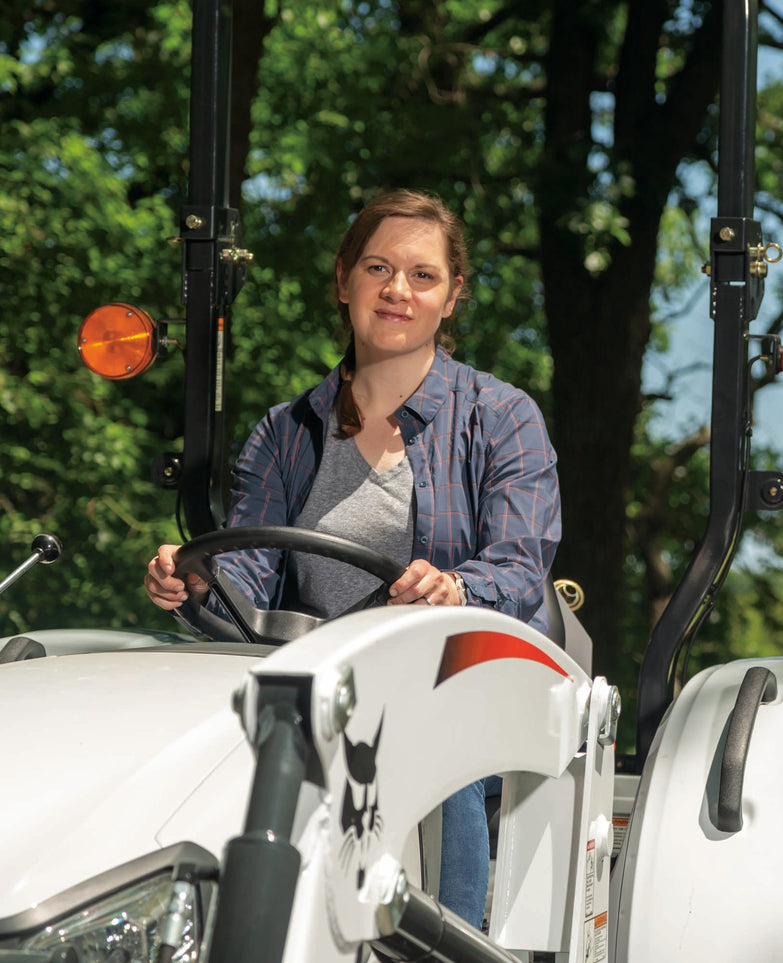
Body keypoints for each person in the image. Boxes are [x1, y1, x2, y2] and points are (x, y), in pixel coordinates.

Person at [143, 188, 560, 929]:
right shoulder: (286, 431)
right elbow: (251, 570)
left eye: (423, 275)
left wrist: (455, 584)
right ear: (344, 281)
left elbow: (523, 565)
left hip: (452, 688)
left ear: (452, 296)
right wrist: (198, 580)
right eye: (378, 267)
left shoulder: (502, 418)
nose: (398, 289)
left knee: (434, 759)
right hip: (314, 689)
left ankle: (452, 934)